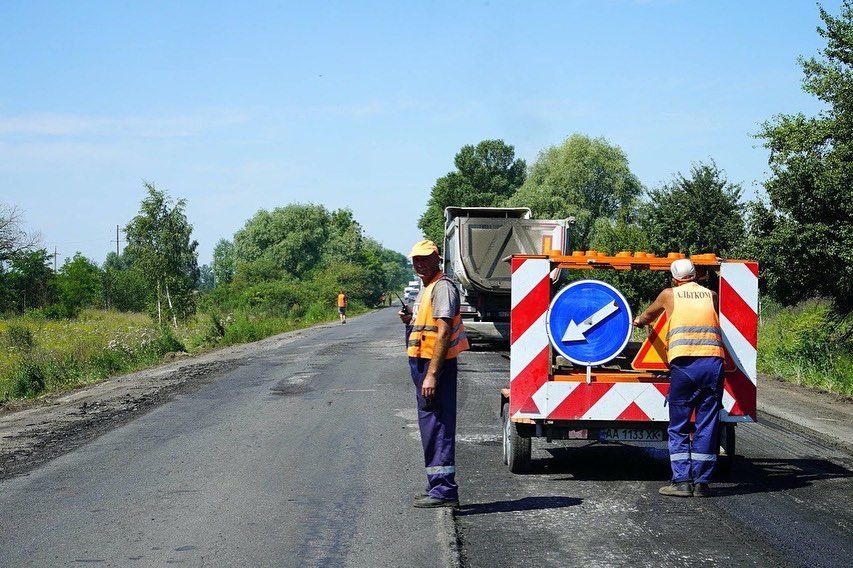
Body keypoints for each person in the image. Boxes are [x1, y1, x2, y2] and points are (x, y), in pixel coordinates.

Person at [633, 258, 725, 498]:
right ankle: (702, 483)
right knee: (707, 424)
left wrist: (639, 321)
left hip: (684, 365)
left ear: (674, 278)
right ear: (695, 275)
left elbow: (648, 316)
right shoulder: (711, 295)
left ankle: (682, 482)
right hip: (713, 364)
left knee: (679, 425)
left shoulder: (669, 294)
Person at [399, 239, 469, 508]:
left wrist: (432, 374)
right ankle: (436, 486)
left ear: (437, 259)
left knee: (438, 426)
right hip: (423, 365)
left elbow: (443, 332)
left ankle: (444, 491)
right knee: (430, 427)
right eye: (416, 259)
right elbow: (426, 327)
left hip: (434, 367)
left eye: (426, 258)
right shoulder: (428, 288)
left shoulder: (443, 288)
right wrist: (410, 320)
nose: (420, 263)